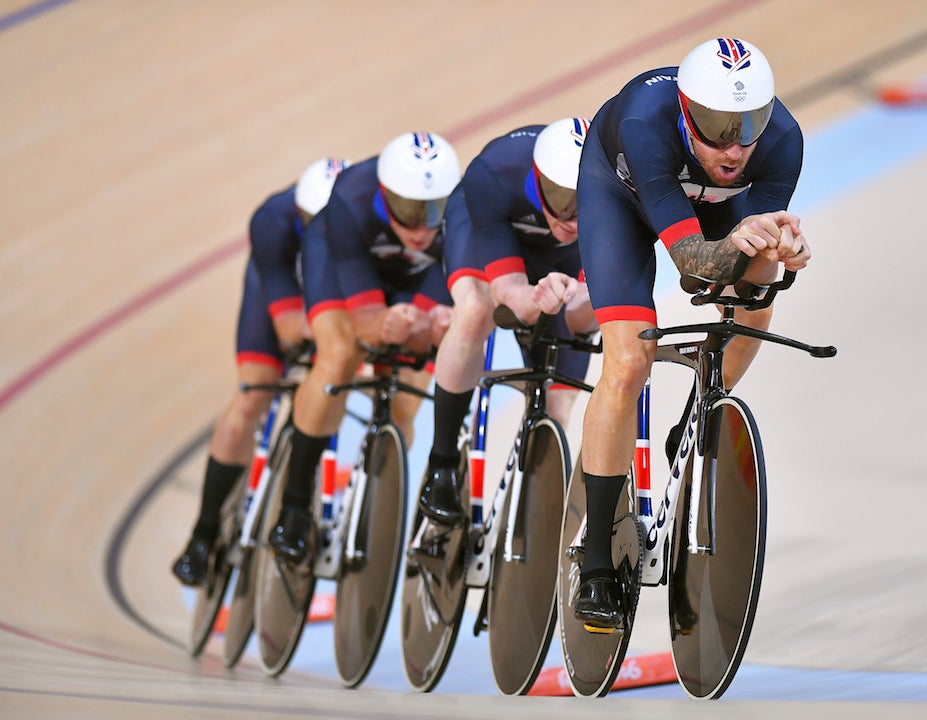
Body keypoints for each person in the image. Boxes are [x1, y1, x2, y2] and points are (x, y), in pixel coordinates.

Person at [571, 37, 812, 631]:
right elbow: (692, 263)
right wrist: (736, 245)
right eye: (714, 127)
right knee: (628, 363)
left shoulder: (783, 140)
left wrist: (782, 247)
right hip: (622, 198)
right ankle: (596, 557)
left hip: (707, 209)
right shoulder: (644, 123)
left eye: (747, 126)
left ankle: (697, 418)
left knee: (760, 290)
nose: (733, 147)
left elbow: (750, 248)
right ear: (684, 110)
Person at [266, 132, 460, 564]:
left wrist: (420, 323)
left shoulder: (458, 212)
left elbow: (435, 309)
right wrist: (386, 324)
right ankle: (294, 507)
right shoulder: (352, 198)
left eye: (434, 212)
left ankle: (376, 499)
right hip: (341, 269)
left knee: (408, 392)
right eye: (410, 211)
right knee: (339, 358)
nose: (422, 227)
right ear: (385, 194)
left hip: (413, 278)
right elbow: (367, 323)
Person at [171, 157, 349, 586]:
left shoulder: (361, 218)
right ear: (300, 216)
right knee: (253, 395)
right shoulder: (273, 221)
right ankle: (204, 531)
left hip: (339, 288)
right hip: (283, 291)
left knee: (336, 380)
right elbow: (289, 328)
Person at [417, 117, 598, 526]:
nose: (571, 218)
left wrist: (579, 300)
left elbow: (583, 317)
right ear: (538, 179)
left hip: (560, 260)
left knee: (557, 400)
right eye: (561, 200)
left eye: (584, 202)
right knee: (476, 310)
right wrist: (539, 298)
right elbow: (509, 297)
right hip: (487, 230)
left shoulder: (619, 188)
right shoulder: (495, 174)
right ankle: (441, 464)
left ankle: (528, 517)